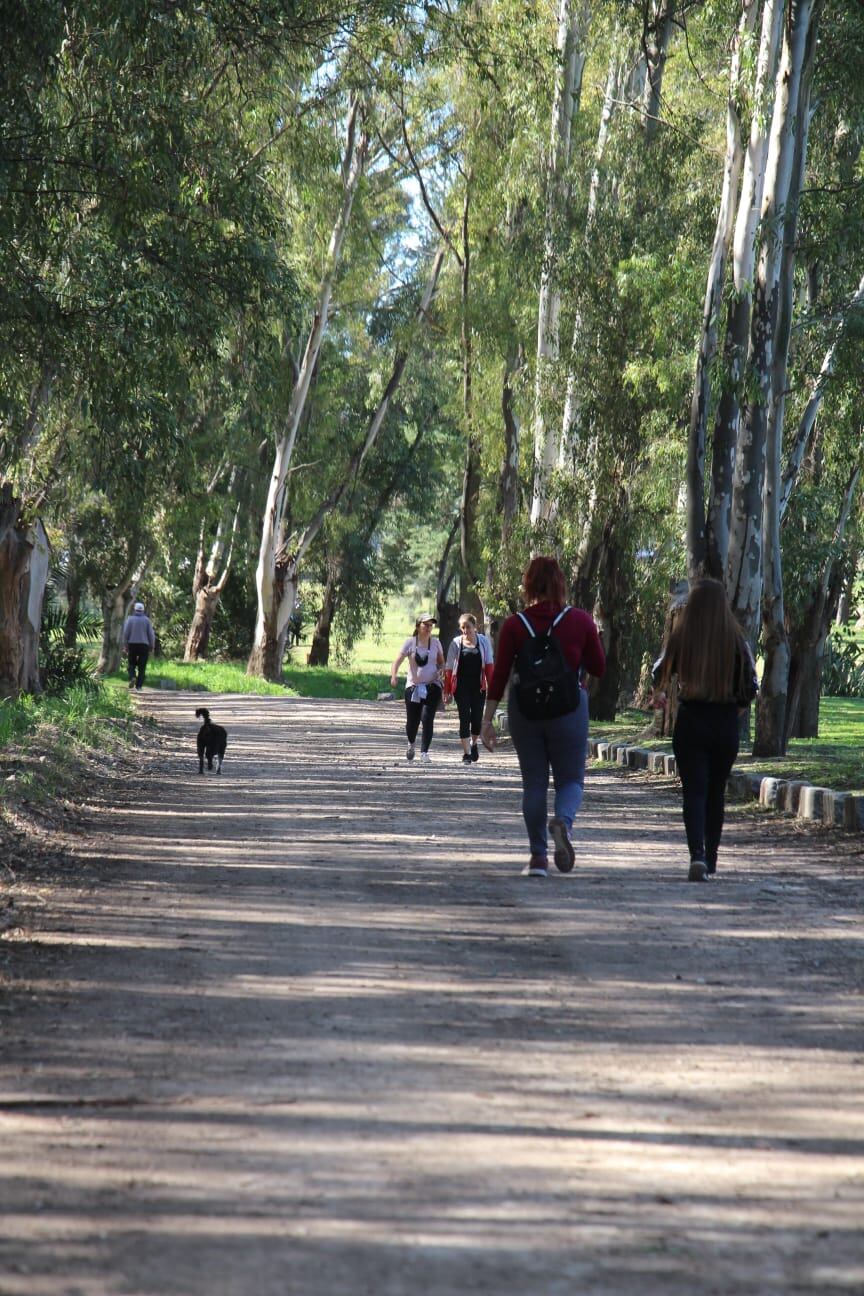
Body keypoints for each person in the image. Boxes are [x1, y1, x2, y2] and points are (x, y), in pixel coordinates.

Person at [481, 556, 606, 878]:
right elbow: (598, 667)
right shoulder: (579, 620)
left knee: (534, 783)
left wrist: (487, 721)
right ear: (561, 583)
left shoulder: (513, 625)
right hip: (569, 708)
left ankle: (538, 858)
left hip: (526, 711)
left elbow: (500, 676)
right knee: (571, 779)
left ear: (528, 585)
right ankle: (563, 822)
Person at [653, 577, 758, 882]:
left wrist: (660, 693)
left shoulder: (681, 636)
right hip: (725, 724)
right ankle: (710, 860)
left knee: (694, 792)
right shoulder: (737, 641)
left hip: (691, 721)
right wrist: (731, 712)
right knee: (715, 793)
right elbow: (751, 688)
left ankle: (696, 855)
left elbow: (659, 672)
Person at [390, 613, 446, 765]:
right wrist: (394, 676)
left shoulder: (436, 643)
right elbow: (397, 662)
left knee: (427, 718)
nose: (428, 628)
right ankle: (411, 743)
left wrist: (441, 671)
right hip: (413, 687)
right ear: (418, 626)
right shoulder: (410, 643)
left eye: (431, 625)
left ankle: (424, 752)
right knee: (412, 722)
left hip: (432, 686)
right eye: (425, 625)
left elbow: (441, 663)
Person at [444, 613, 494, 765]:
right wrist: (446, 690)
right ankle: (466, 754)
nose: (465, 630)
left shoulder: (483, 642)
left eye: (468, 627)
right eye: (463, 627)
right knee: (464, 717)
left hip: (479, 687)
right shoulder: (456, 643)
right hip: (461, 688)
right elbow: (448, 668)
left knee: (476, 720)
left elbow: (490, 667)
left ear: (475, 627)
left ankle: (473, 744)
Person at [122, 600, 156, 691]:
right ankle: (139, 686)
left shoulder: (130, 619)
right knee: (142, 666)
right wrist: (152, 646)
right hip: (144, 645)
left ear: (135, 610)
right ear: (143, 610)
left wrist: (125, 645)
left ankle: (132, 677)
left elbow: (125, 633)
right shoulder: (147, 620)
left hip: (132, 644)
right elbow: (151, 635)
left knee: (131, 663)